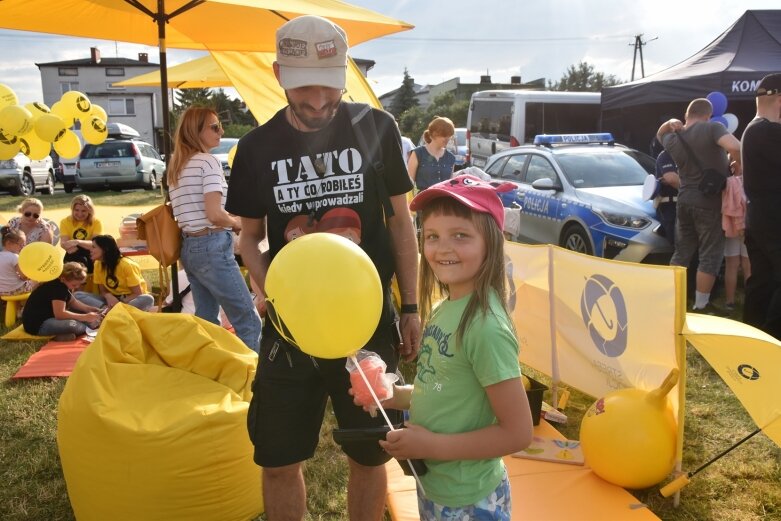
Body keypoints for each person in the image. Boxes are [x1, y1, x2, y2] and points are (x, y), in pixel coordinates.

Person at [225, 15, 421, 521]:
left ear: (345, 73)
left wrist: (413, 306)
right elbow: (249, 237)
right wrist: (267, 287)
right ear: (276, 74)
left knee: (370, 452)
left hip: (366, 323)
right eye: (302, 90)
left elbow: (401, 223)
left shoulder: (376, 127)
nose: (317, 103)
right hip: (290, 330)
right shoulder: (255, 148)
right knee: (277, 458)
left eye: (329, 88)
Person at [370, 174, 533, 519]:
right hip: (438, 486)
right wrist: (394, 395)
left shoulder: (485, 327)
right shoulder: (446, 308)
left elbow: (518, 432)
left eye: (460, 235)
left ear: (491, 241)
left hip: (471, 499)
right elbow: (442, 387)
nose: (442, 248)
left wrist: (432, 446)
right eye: (432, 236)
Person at [166, 106, 261, 352]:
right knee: (248, 319)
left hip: (190, 248)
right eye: (215, 127)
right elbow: (215, 215)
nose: (222, 131)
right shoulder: (207, 162)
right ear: (195, 130)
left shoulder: (177, 166)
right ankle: (255, 382)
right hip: (212, 246)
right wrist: (239, 224)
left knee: (207, 321)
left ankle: (212, 370)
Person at [657, 98, 742, 314]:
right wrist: (738, 165)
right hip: (710, 202)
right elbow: (735, 146)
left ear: (687, 115)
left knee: (682, 251)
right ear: (708, 115)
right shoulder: (713, 127)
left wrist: (670, 122)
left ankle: (669, 301)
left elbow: (660, 134)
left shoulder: (676, 136)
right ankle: (701, 305)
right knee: (710, 254)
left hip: (683, 200)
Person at [741, 73, 781, 337]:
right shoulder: (766, 130)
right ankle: (771, 337)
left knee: (763, 279)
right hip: (772, 214)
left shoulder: (753, 129)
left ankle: (754, 337)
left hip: (759, 214)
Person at [22, 261, 102, 341]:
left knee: (83, 319)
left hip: (49, 319)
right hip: (38, 325)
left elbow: (73, 302)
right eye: (74, 285)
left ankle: (63, 334)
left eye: (80, 284)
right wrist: (85, 317)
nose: (77, 287)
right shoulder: (58, 288)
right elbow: (60, 314)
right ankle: (53, 337)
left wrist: (89, 309)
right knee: (76, 326)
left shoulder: (62, 284)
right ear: (63, 279)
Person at [74, 235, 154, 311]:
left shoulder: (126, 265)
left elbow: (137, 293)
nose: (90, 250)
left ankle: (109, 312)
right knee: (77, 295)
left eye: (94, 247)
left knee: (148, 299)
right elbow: (103, 291)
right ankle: (111, 311)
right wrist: (108, 296)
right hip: (111, 301)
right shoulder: (97, 264)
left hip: (129, 300)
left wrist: (120, 303)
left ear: (105, 249)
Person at [408, 117, 457, 191]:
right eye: (444, 135)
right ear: (434, 134)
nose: (447, 138)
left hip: (444, 200)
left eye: (449, 135)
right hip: (424, 200)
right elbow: (409, 185)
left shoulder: (451, 157)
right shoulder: (418, 153)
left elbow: (450, 186)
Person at [59, 194, 102, 272]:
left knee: (84, 259)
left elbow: (95, 245)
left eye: (83, 211)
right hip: (72, 253)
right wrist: (79, 245)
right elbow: (64, 243)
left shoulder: (96, 222)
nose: (80, 214)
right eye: (77, 210)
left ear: (89, 211)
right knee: (76, 258)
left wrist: (77, 242)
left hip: (91, 254)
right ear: (72, 209)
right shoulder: (65, 222)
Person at [654, 149, 680, 245]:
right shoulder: (666, 155)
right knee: (681, 246)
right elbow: (672, 179)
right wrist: (692, 189)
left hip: (687, 205)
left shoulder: (690, 152)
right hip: (670, 207)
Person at [0, 227, 36, 296]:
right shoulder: (15, 257)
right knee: (38, 280)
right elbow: (23, 277)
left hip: (2, 292)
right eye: (21, 245)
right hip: (16, 290)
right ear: (9, 243)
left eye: (24, 245)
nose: (23, 247)